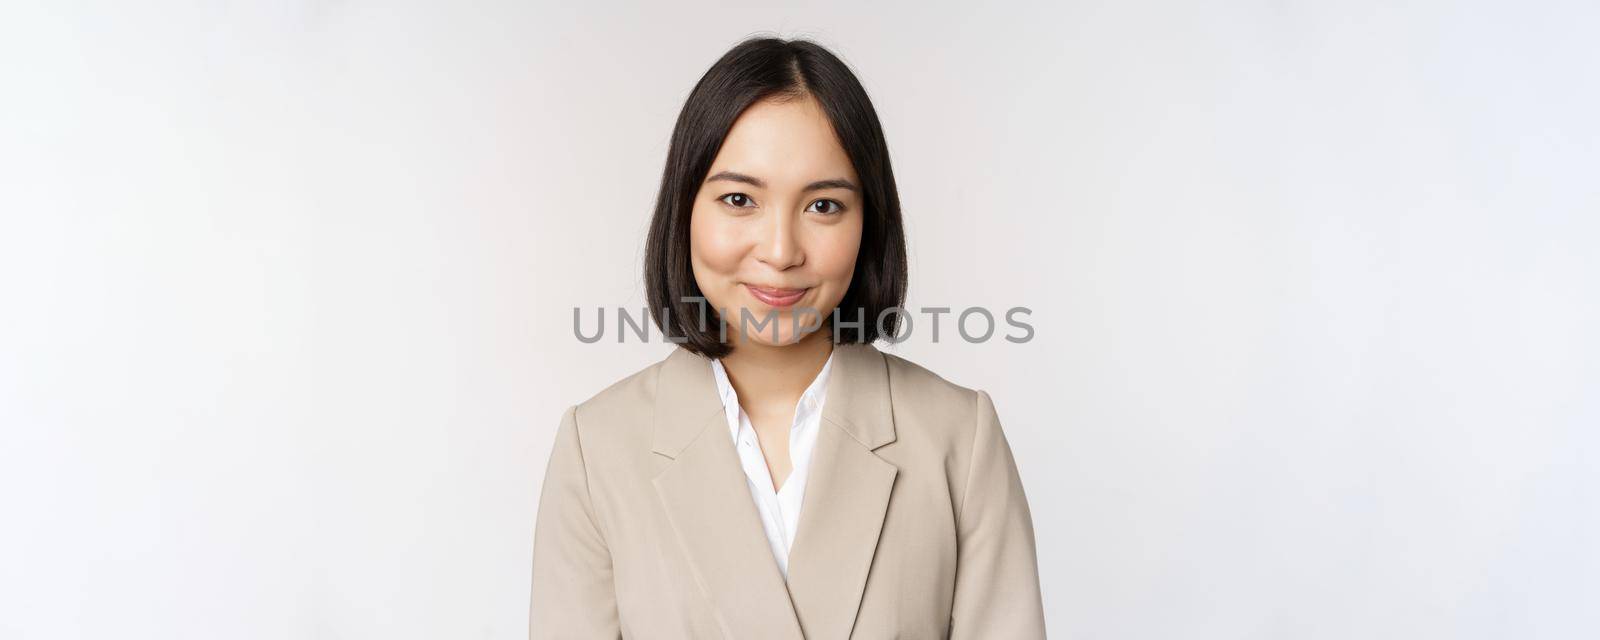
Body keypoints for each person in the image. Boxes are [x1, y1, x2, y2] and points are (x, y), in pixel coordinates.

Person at [529, 36, 1046, 639]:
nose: (780, 252)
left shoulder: (960, 439)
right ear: (684, 209)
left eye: (824, 205)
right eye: (739, 199)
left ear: (868, 224)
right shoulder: (597, 449)